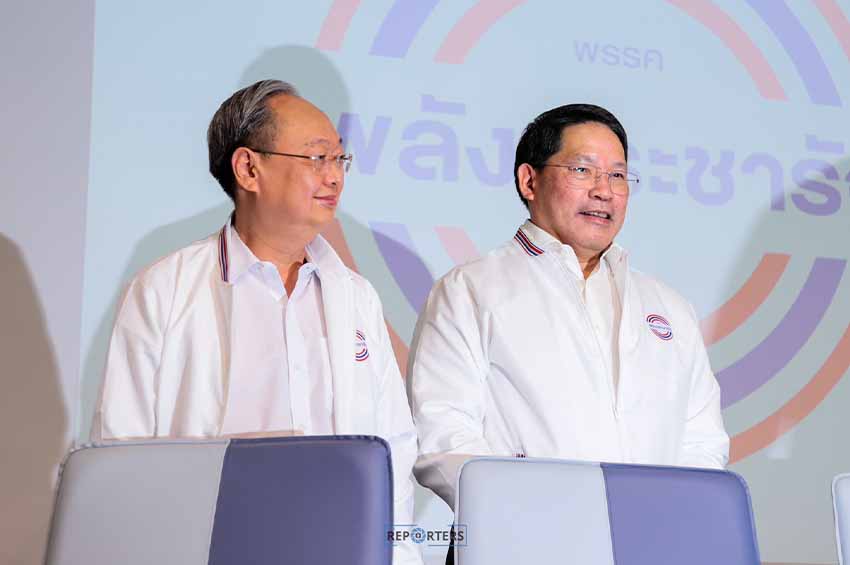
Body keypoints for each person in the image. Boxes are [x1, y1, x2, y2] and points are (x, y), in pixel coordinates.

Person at [92, 79, 422, 565]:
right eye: (317, 157)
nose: (334, 177)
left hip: (339, 547)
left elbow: (393, 448)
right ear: (249, 168)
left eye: (340, 159)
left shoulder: (356, 296)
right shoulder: (165, 288)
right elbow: (121, 450)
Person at [408, 103, 729, 512]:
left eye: (617, 175)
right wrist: (526, 513)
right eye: (582, 170)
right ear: (529, 181)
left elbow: (702, 441)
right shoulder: (469, 290)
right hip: (522, 535)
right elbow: (444, 433)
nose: (604, 190)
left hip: (649, 535)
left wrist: (670, 517)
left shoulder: (668, 307)